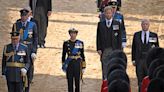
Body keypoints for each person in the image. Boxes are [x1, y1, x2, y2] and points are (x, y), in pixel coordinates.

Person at [12, 8, 38, 92]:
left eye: (25, 16)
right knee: (20, 67)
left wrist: (34, 51)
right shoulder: (16, 25)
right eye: (22, 16)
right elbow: (13, 38)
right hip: (20, 49)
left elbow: (35, 38)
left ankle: (27, 88)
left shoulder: (32, 25)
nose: (23, 17)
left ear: (28, 16)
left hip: (29, 49)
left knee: (28, 69)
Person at [131, 19, 159, 92]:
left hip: (149, 62)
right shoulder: (136, 35)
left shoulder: (154, 35)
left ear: (149, 25)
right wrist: (133, 59)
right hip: (139, 60)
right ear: (141, 25)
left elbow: (157, 49)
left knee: (149, 79)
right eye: (143, 24)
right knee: (140, 80)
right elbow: (133, 47)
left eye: (146, 24)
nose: (145, 25)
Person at [96, 6, 122, 80]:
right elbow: (98, 37)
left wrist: (119, 50)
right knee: (104, 67)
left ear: (112, 14)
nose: (108, 15)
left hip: (114, 49)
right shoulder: (100, 24)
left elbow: (119, 38)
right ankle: (105, 83)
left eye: (109, 13)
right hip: (104, 50)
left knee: (114, 66)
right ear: (104, 14)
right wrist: (99, 48)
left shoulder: (117, 24)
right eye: (106, 13)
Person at [62, 28, 86, 92]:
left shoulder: (80, 43)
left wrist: (83, 66)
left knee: (77, 82)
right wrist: (64, 65)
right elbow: (63, 55)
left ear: (76, 34)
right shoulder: (66, 43)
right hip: (69, 64)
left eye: (74, 33)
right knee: (70, 81)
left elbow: (82, 55)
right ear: (69, 34)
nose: (73, 35)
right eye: (71, 33)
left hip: (77, 64)